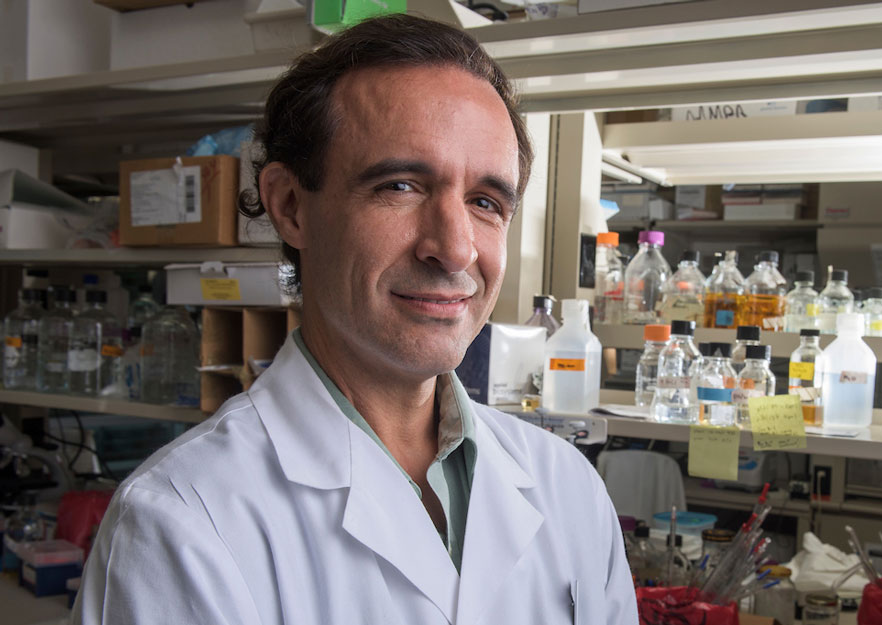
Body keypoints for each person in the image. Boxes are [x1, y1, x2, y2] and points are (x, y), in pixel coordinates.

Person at [72, 14, 637, 625]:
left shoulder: (567, 487)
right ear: (290, 207)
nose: (454, 249)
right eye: (399, 186)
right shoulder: (183, 520)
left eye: (484, 202)